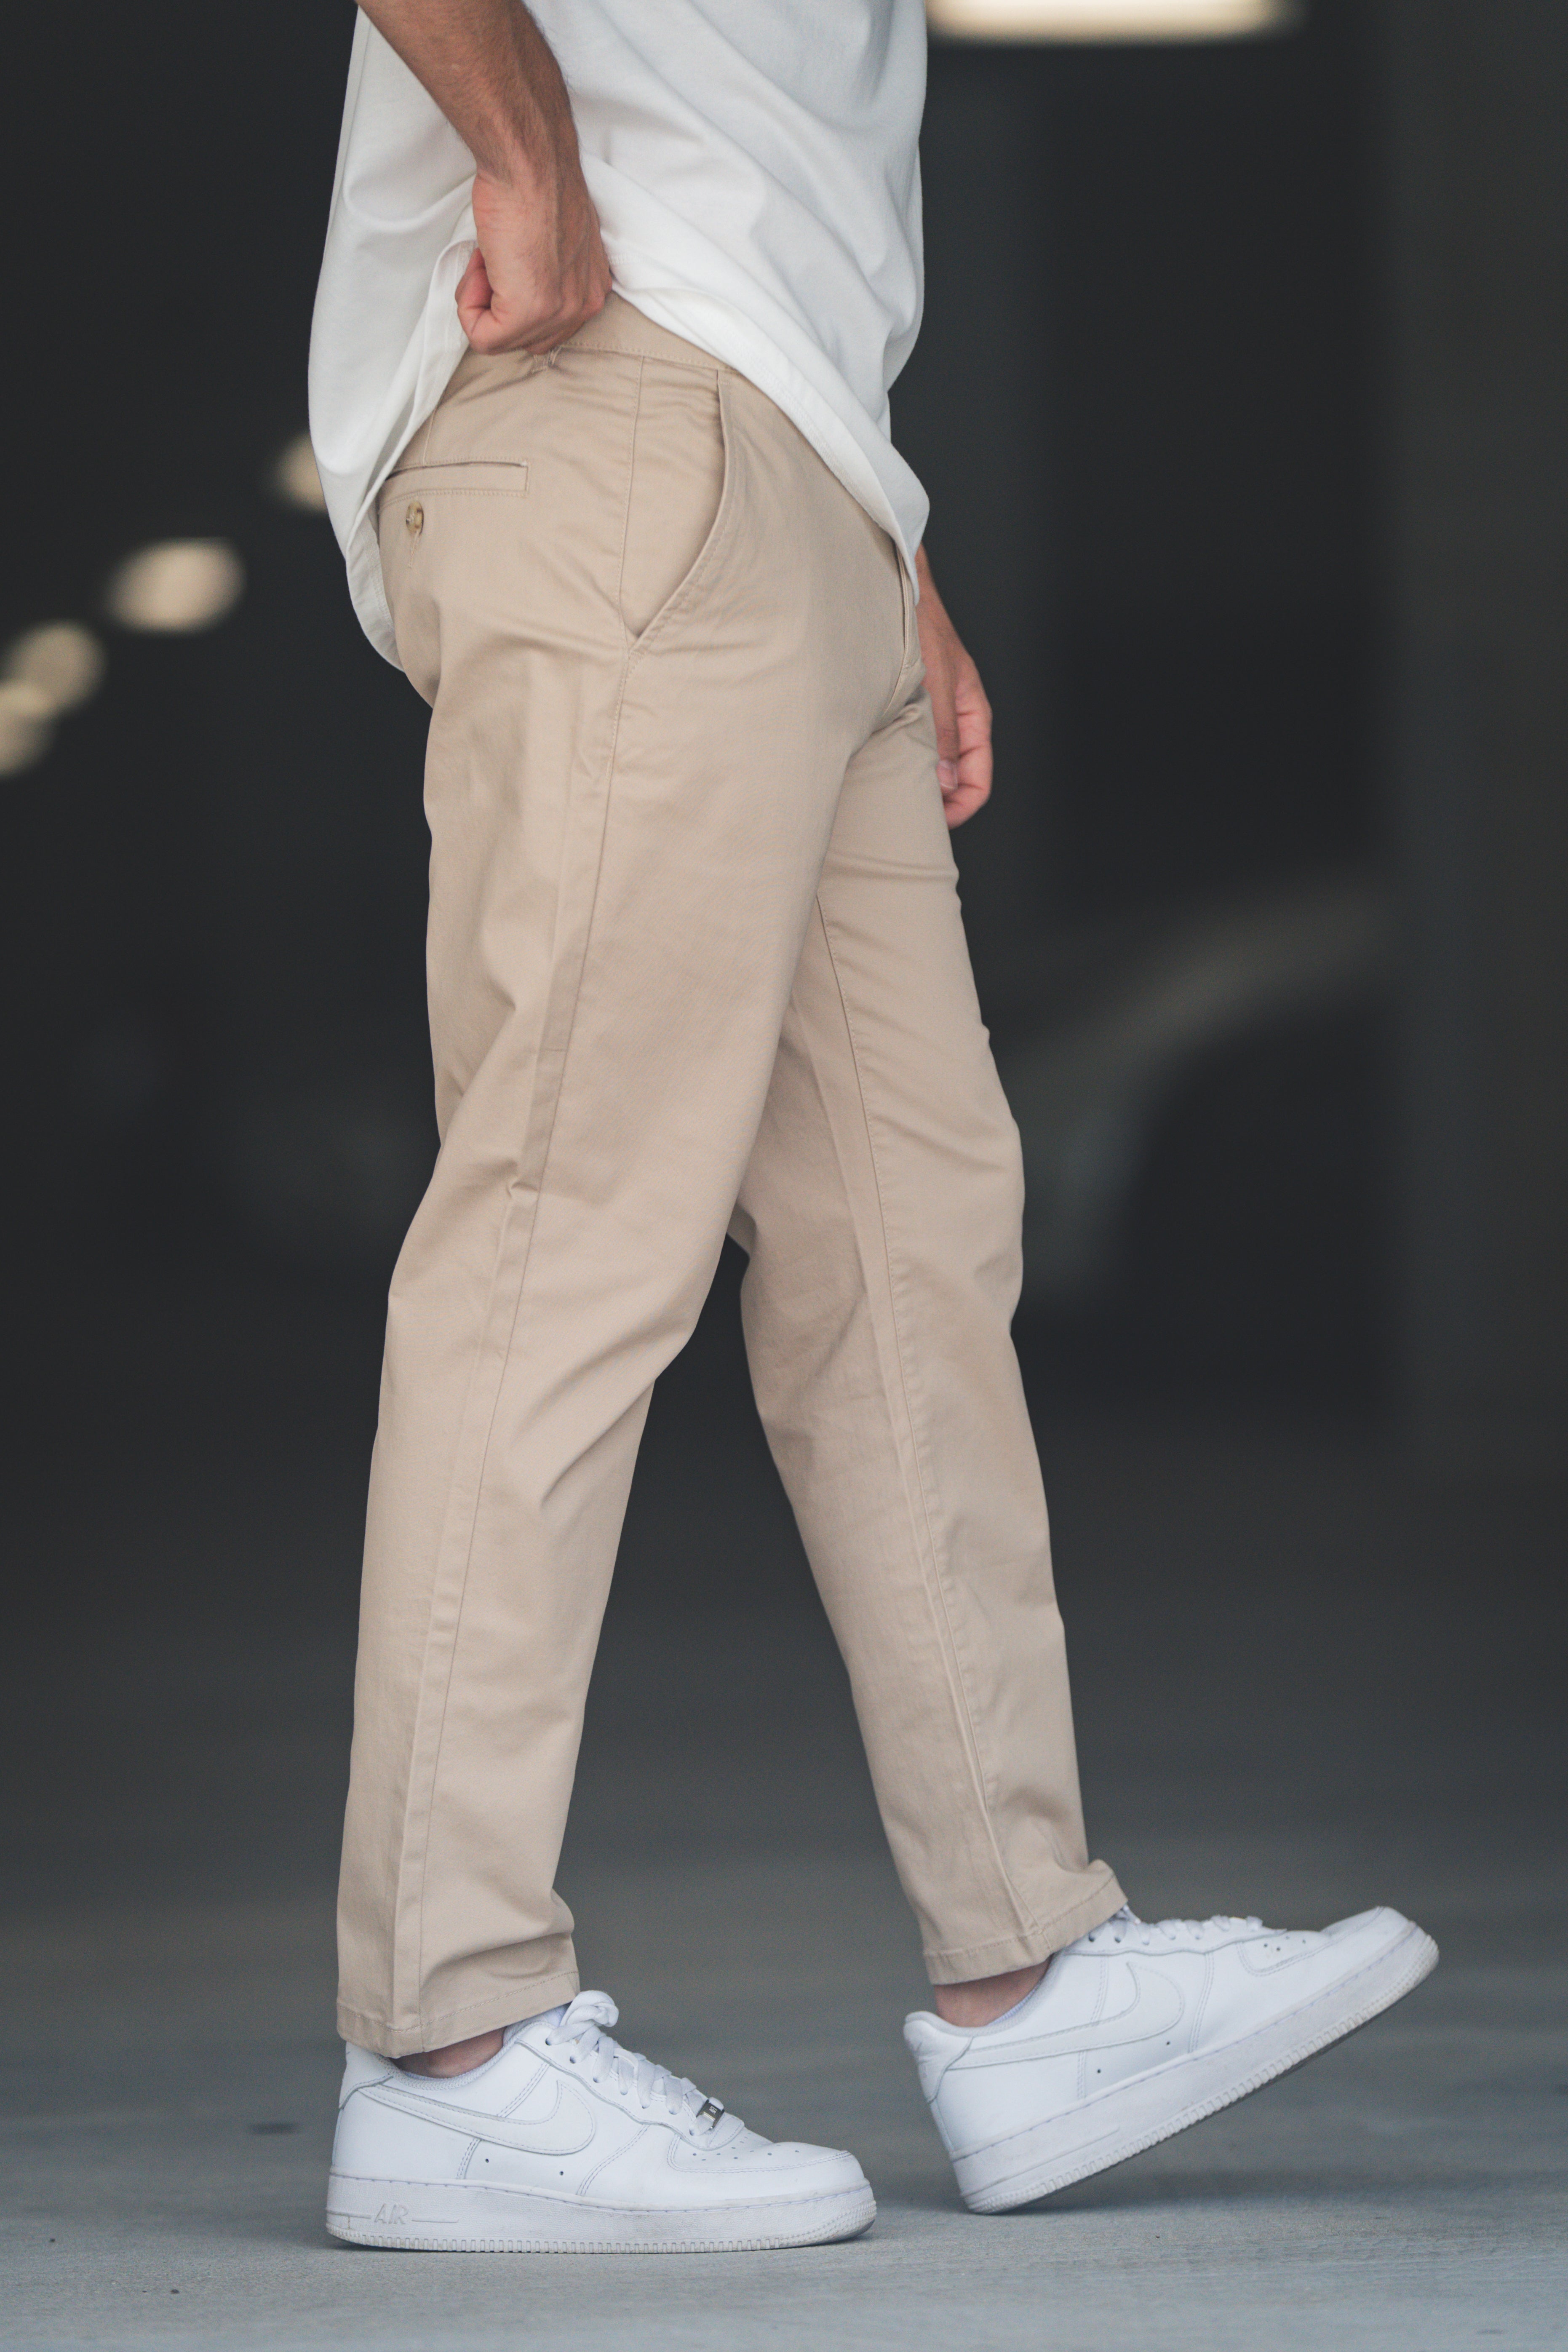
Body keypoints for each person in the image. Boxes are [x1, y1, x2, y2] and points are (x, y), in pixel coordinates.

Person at [308, 0, 1436, 2252]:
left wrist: (872, 518)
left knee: (913, 1246)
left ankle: (1031, 1973)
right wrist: (525, 152)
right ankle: (448, 2036)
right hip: (616, 402)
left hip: (794, 462)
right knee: (568, 1226)